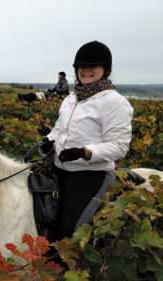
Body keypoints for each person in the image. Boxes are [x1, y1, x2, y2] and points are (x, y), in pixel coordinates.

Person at [38, 41, 134, 241]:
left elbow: (119, 146)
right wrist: (48, 141)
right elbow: (59, 129)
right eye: (82, 66)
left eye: (93, 66)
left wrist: (85, 152)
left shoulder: (114, 102)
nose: (86, 70)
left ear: (105, 70)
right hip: (59, 167)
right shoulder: (70, 99)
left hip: (91, 174)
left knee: (69, 232)